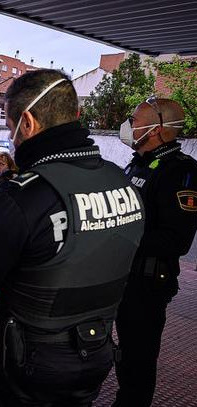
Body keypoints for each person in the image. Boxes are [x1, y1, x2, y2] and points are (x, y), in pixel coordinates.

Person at [0, 69, 145, 407]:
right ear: (75, 116)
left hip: (28, 364)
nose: (12, 138)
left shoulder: (24, 195)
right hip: (95, 353)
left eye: (10, 128)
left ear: (29, 123)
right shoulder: (120, 180)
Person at [113, 97, 197, 407]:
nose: (129, 125)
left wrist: (119, 234)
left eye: (135, 119)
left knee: (137, 360)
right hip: (118, 278)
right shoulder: (137, 162)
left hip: (146, 284)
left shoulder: (181, 172)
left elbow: (176, 240)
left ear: (157, 128)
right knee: (116, 352)